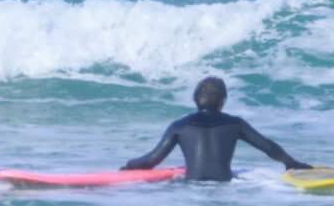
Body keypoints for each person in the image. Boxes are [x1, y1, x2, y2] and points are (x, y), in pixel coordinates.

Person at [124, 77, 312, 182]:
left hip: (190, 191)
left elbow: (151, 161)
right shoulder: (235, 124)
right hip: (225, 189)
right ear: (223, 102)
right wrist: (291, 163)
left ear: (195, 100)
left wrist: (129, 165)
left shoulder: (179, 126)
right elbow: (268, 147)